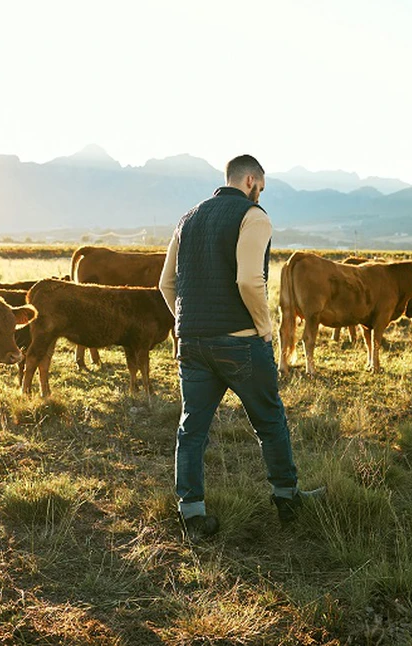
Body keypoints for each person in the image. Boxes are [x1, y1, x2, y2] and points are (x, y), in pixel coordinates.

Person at [158, 154, 323, 541]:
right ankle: (287, 499)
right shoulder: (254, 217)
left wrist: (188, 322)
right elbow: (250, 280)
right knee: (270, 422)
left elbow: (167, 284)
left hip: (193, 343)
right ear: (250, 180)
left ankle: (193, 514)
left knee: (192, 429)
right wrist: (265, 328)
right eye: (260, 188)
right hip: (241, 343)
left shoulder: (187, 218)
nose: (259, 195)